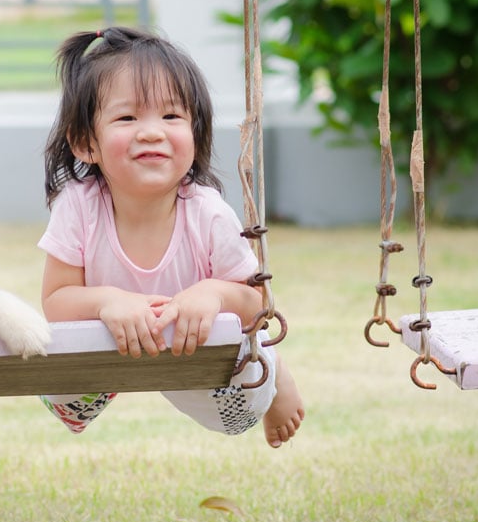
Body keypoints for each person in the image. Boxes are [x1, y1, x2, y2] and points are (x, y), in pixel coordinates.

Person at [37, 26, 305, 448]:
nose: (151, 132)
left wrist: (213, 293)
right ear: (86, 143)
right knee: (63, 402)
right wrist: (110, 302)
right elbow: (55, 303)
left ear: (195, 136)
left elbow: (258, 302)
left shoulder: (208, 212)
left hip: (192, 350)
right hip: (111, 343)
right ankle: (120, 372)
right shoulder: (78, 205)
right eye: (127, 117)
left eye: (171, 116)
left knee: (237, 416)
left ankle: (274, 373)